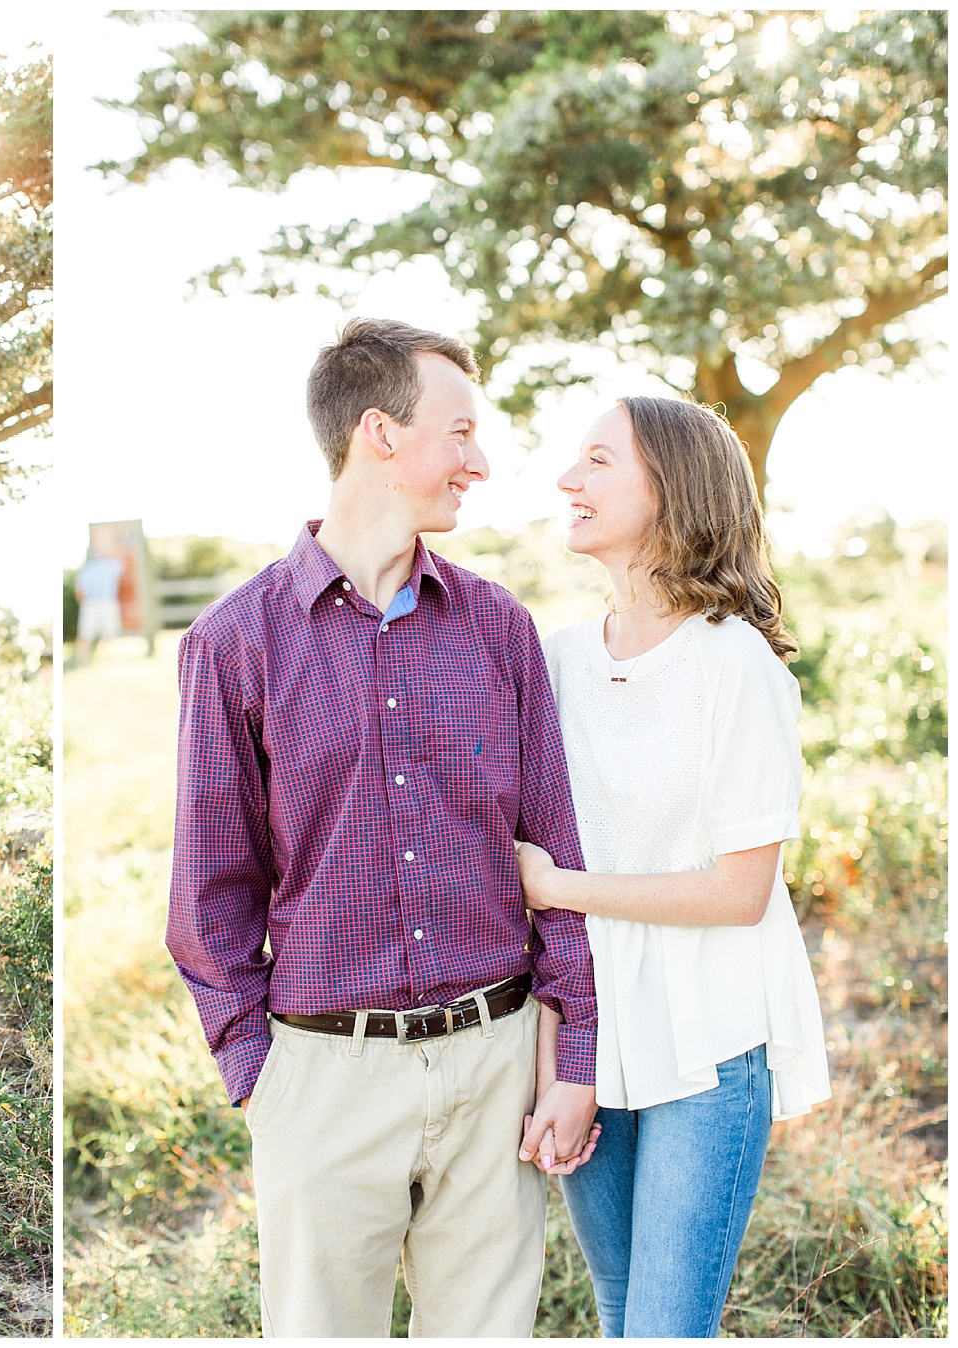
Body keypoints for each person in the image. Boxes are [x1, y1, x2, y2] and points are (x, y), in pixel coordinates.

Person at [167, 317, 600, 1338]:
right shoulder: (234, 643)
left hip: (495, 1067)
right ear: (380, 434)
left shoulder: (501, 629)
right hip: (322, 1079)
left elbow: (557, 854)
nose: (480, 461)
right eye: (460, 431)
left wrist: (570, 1057)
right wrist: (261, 1077)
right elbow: (209, 890)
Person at [517, 395, 831, 1337]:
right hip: (590, 1040)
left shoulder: (735, 667)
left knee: (664, 1327)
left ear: (672, 490)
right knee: (621, 1311)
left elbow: (744, 893)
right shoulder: (557, 659)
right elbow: (538, 911)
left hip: (710, 1043)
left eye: (598, 461)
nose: (567, 479)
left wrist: (558, 885)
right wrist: (553, 1068)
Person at [73, 552, 125, 661]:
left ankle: (107, 658)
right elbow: (80, 589)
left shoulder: (113, 565)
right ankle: (82, 658)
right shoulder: (90, 568)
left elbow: (79, 589)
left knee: (107, 633)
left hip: (105, 602)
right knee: (87, 633)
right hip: (93, 602)